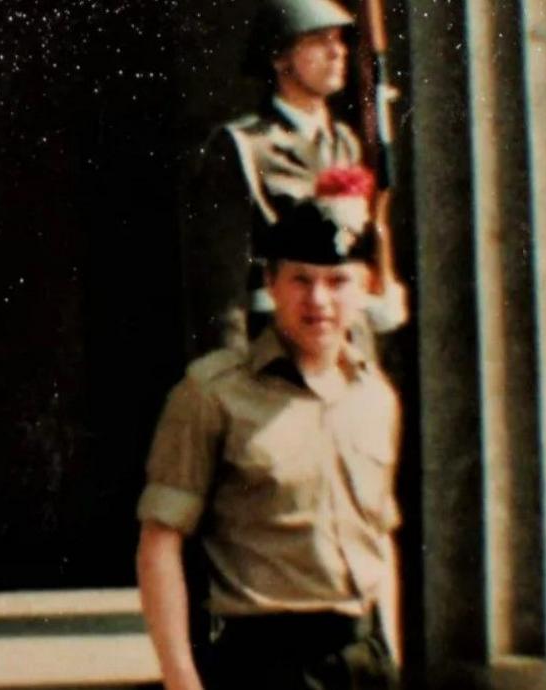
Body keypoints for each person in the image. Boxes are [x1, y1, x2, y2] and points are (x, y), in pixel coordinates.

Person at [138, 195, 402, 690]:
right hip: (264, 665)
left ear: (364, 286)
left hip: (363, 661)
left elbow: (380, 536)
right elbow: (160, 542)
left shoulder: (375, 396)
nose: (318, 300)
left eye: (336, 281)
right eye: (301, 279)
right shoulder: (212, 393)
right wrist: (180, 680)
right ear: (271, 283)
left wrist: (391, 651)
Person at [181, 0, 407, 360]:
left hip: (345, 354)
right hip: (274, 355)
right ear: (279, 58)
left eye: (339, 40)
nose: (337, 51)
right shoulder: (243, 147)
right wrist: (229, 381)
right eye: (318, 40)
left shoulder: (346, 143)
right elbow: (223, 292)